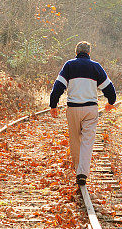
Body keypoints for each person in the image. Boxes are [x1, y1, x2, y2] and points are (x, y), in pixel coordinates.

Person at [49, 41, 116, 186]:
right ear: (89, 53)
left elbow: (58, 87)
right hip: (90, 110)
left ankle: (77, 168)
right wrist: (111, 102)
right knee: (87, 141)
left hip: (73, 109)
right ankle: (82, 173)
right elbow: (109, 88)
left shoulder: (69, 65)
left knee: (75, 141)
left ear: (76, 52)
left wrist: (53, 104)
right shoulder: (96, 67)